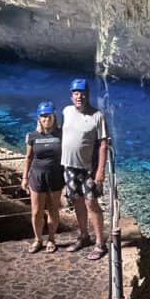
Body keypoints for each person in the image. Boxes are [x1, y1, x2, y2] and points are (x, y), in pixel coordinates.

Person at [61, 77, 109, 259]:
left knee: (92, 203)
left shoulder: (97, 116)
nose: (79, 96)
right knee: (77, 202)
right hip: (69, 167)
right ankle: (83, 236)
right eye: (75, 93)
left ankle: (100, 243)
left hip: (88, 169)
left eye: (82, 93)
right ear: (71, 95)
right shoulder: (66, 112)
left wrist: (100, 171)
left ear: (87, 94)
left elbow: (103, 145)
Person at [22, 101, 63, 253]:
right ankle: (38, 239)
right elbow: (28, 157)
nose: (46, 119)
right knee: (36, 211)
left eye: (49, 116)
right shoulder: (32, 136)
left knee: (53, 210)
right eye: (43, 116)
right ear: (39, 118)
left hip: (56, 176)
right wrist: (24, 177)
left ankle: (51, 239)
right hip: (36, 176)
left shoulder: (61, 134)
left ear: (54, 116)